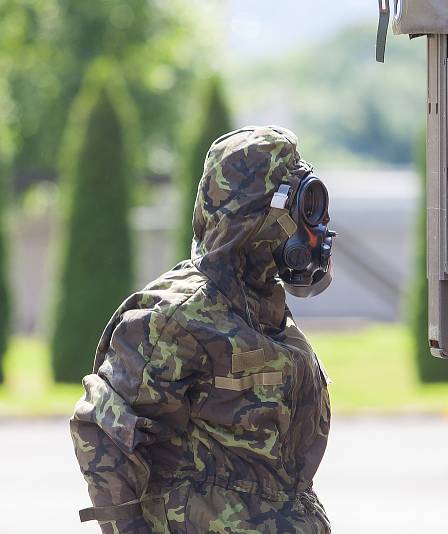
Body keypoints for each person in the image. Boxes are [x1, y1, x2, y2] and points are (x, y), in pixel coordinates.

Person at [70, 126, 334, 533]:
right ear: (258, 217)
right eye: (304, 208)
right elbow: (103, 433)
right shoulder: (176, 317)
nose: (313, 227)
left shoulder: (263, 307)